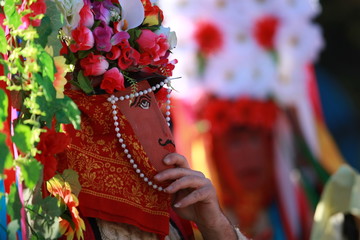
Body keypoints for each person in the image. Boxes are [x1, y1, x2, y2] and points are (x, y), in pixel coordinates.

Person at [57, 79, 245, 239]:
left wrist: (214, 225)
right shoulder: (55, 214)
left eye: (157, 109)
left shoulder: (179, 209)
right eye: (140, 106)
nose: (164, 135)